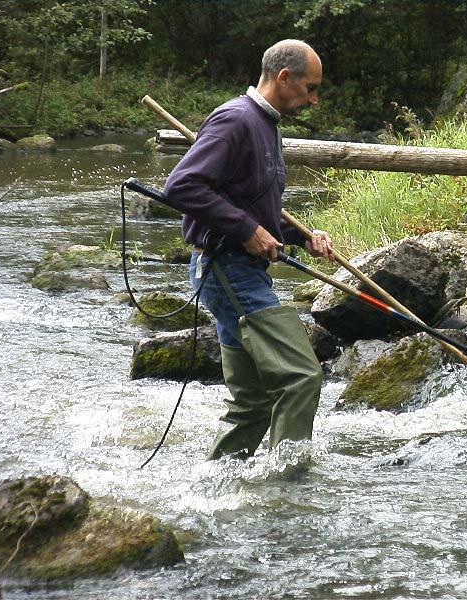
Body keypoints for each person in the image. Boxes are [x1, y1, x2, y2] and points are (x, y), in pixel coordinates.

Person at [163, 39, 335, 460]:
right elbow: (181, 186)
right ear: (283, 77)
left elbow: (256, 209)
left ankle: (217, 490)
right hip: (226, 271)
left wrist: (302, 236)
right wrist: (245, 229)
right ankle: (284, 492)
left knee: (253, 404)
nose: (312, 100)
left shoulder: (267, 126)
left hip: (241, 272)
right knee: (300, 377)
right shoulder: (236, 120)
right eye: (310, 88)